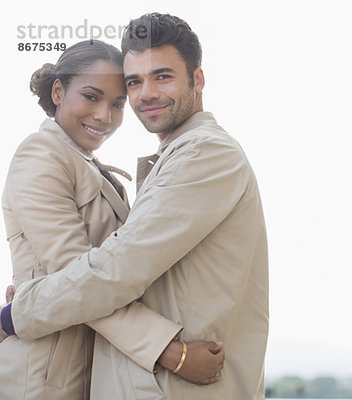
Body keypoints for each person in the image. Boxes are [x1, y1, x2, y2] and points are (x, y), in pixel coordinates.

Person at [2, 13, 269, 400]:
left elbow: (111, 272)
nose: (145, 94)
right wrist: (170, 352)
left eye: (162, 76)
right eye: (135, 83)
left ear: (198, 80)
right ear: (58, 92)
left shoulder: (202, 153)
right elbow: (95, 271)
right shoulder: (43, 155)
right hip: (46, 375)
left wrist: (16, 313)